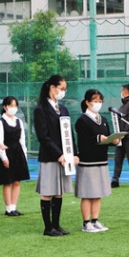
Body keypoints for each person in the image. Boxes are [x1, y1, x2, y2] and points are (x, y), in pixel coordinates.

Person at [34, 74, 79, 236]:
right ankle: (48, 227)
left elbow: (69, 134)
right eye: (61, 89)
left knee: (59, 191)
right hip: (50, 157)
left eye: (64, 90)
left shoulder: (63, 109)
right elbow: (43, 136)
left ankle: (56, 225)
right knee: (48, 191)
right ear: (52, 88)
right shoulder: (41, 109)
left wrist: (74, 154)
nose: (63, 92)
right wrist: (58, 154)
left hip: (65, 157)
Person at [75, 89, 119, 232]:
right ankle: (86, 223)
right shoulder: (82, 120)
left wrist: (114, 140)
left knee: (98, 192)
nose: (98, 104)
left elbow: (107, 137)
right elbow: (83, 140)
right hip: (88, 161)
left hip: (101, 160)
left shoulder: (104, 120)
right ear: (87, 102)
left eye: (100, 101)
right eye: (95, 101)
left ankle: (95, 220)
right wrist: (98, 138)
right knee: (87, 193)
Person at [0, 96, 30, 217]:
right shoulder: (0, 122)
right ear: (5, 107)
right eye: (11, 106)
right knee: (8, 182)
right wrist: (3, 157)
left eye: (15, 106)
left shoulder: (18, 121)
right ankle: (8, 208)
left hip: (18, 153)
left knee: (16, 181)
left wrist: (24, 156)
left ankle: (14, 207)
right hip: (7, 152)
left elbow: (22, 141)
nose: (13, 108)